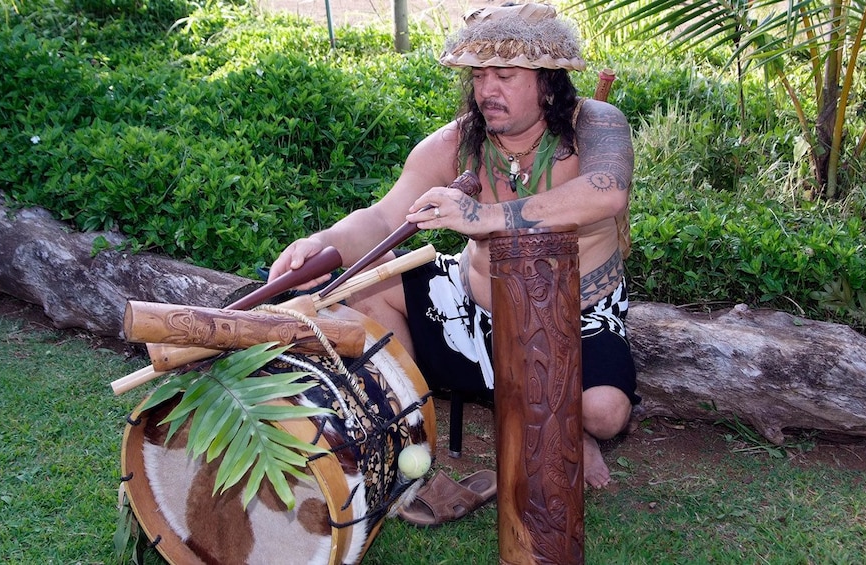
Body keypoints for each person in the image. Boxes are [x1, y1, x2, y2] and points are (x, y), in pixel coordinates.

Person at [266, 2, 639, 490]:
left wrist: (483, 217)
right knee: (357, 292)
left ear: (548, 80)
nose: (487, 90)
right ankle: (399, 422)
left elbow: (609, 189)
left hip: (576, 309)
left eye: (504, 74)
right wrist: (320, 244)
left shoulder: (594, 123)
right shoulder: (458, 142)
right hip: (472, 304)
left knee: (605, 411)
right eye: (479, 75)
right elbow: (384, 217)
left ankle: (564, 422)